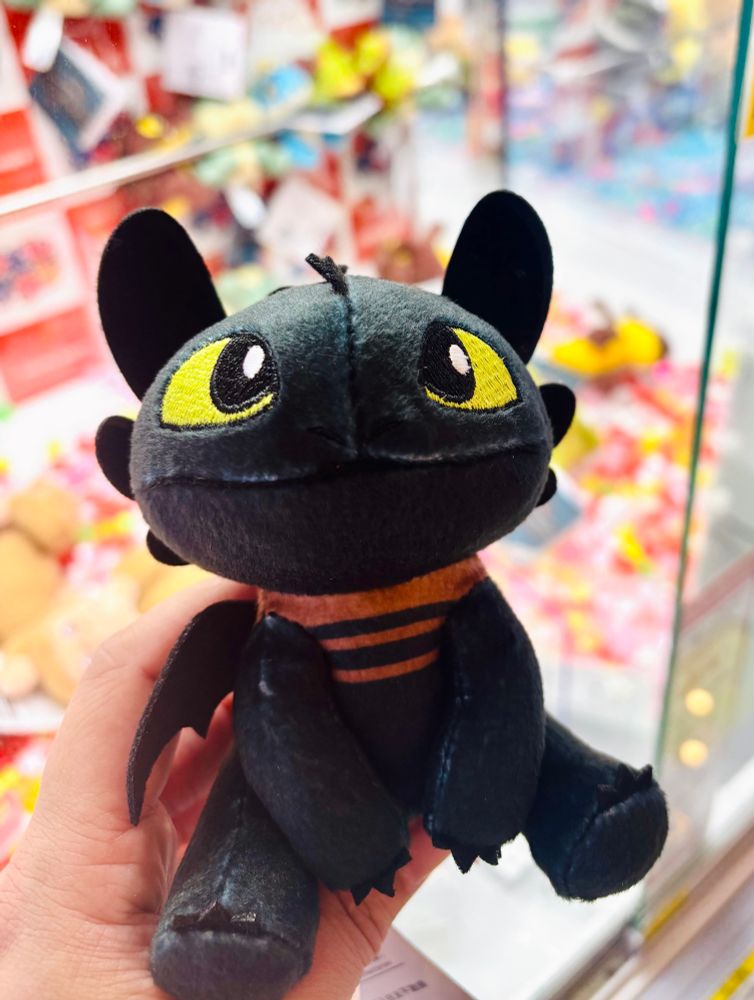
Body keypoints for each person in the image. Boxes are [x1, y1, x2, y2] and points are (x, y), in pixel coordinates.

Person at [0, 578, 447, 999]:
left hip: (398, 751)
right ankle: (234, 918)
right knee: (256, 821)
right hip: (282, 743)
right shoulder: (273, 630)